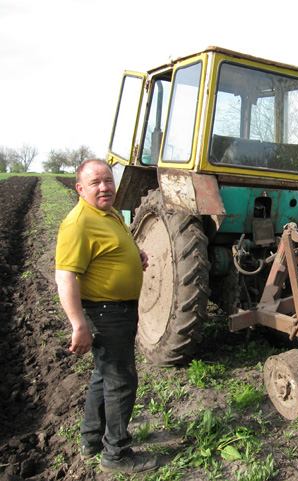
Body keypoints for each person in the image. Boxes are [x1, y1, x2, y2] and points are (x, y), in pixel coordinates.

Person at [54, 159, 158, 474]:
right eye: (96, 182)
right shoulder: (78, 223)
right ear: (80, 188)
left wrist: (132, 256)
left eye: (108, 181)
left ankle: (91, 441)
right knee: (121, 382)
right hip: (105, 312)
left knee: (104, 376)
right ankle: (117, 454)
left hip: (118, 310)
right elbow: (65, 277)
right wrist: (78, 325)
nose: (104, 187)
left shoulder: (109, 214)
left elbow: (109, 249)